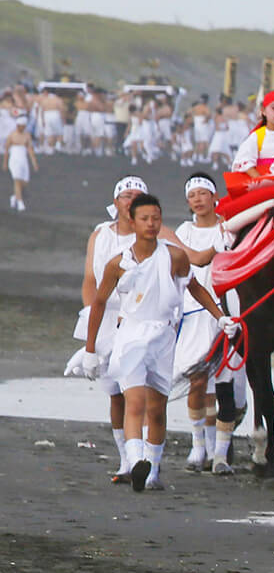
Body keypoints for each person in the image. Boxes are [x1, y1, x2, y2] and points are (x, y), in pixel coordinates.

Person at [79, 193, 235, 491]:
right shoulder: (119, 262)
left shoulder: (174, 256)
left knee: (158, 410)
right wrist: (90, 349)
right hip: (131, 336)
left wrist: (219, 317)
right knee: (134, 402)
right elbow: (99, 303)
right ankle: (137, 460)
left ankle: (151, 472)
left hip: (164, 337)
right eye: (144, 219)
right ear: (133, 222)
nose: (151, 224)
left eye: (156, 218)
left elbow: (196, 288)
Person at [72, 176, 149, 479]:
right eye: (125, 195)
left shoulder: (151, 236)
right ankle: (125, 458)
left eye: (137, 196)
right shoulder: (100, 234)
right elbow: (90, 281)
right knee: (115, 392)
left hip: (139, 318)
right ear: (116, 202)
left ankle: (141, 457)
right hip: (104, 317)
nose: (130, 200)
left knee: (137, 390)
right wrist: (91, 326)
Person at [172, 173, 241, 474]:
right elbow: (197, 260)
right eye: (193, 195)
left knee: (224, 381)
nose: (199, 200)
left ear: (215, 197)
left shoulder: (230, 227)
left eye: (204, 193)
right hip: (193, 309)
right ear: (188, 202)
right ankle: (198, 446)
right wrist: (219, 243)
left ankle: (220, 453)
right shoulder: (183, 231)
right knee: (197, 378)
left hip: (227, 310)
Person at [230, 91, 274, 173]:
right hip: (259, 183)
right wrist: (260, 179)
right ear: (263, 111)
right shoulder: (257, 136)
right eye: (273, 108)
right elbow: (243, 160)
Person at [7, 112, 35, 211]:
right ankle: (20, 202)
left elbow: (30, 149)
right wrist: (5, 163)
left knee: (24, 182)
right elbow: (6, 149)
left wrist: (34, 162)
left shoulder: (27, 135)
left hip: (23, 158)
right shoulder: (12, 135)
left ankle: (15, 197)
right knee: (17, 180)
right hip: (14, 158)